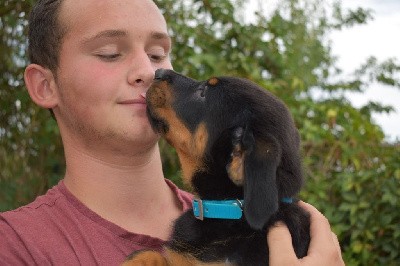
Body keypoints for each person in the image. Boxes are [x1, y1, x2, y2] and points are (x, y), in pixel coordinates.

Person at [0, 0, 344, 265]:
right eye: (110, 53)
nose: (147, 72)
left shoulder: (292, 237)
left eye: (157, 53)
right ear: (44, 85)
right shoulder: (16, 246)